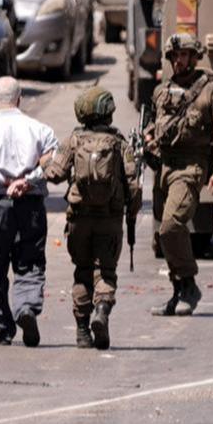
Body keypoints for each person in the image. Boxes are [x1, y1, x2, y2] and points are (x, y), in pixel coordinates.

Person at [145, 33, 213, 317]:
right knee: (165, 236)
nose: (177, 61)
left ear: (194, 57)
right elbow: (152, 124)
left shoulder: (211, 91)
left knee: (172, 225)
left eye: (183, 55)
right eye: (173, 56)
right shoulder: (162, 91)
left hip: (190, 167)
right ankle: (178, 290)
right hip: (163, 167)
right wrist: (149, 138)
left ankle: (190, 285)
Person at [41, 86, 141, 350]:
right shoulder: (119, 142)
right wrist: (130, 214)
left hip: (79, 219)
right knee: (105, 271)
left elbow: (55, 174)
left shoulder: (74, 140)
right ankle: (102, 309)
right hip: (109, 218)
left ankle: (83, 331)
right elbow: (133, 184)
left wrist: (43, 163)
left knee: (82, 272)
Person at [0, 76, 59, 346]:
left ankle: (2, 327)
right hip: (30, 205)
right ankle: (26, 308)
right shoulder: (39, 129)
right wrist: (27, 181)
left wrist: (1, 179)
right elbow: (55, 160)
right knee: (29, 262)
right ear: (19, 100)